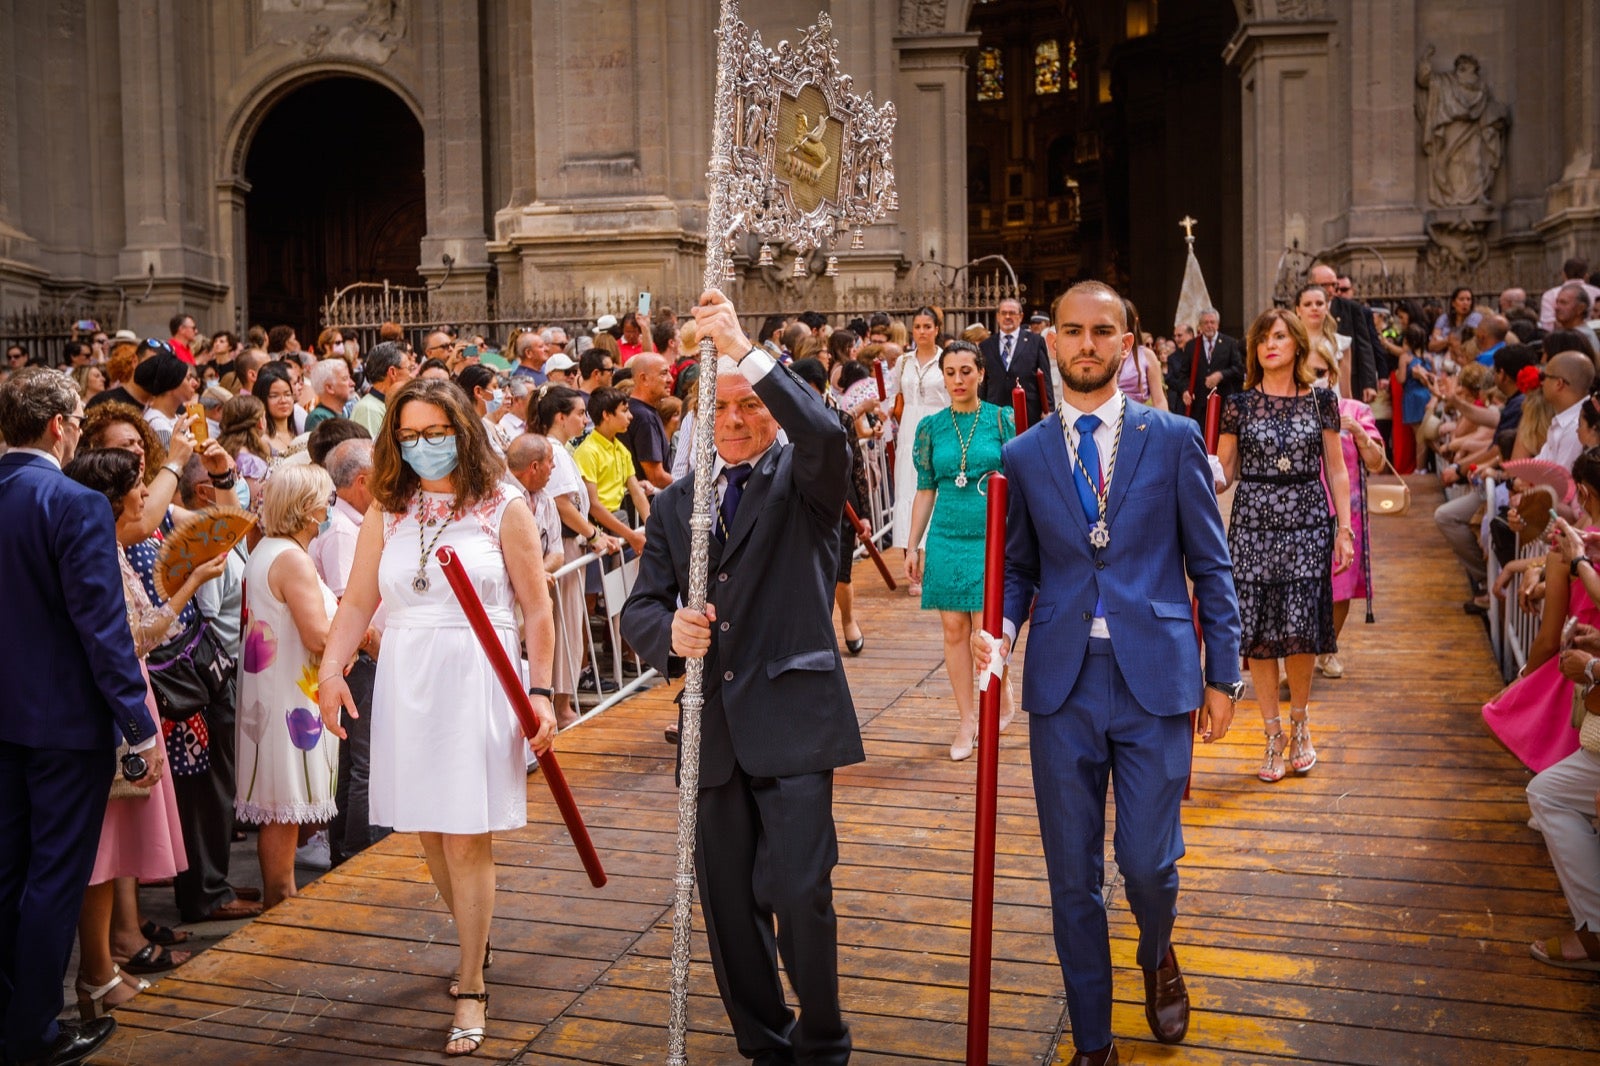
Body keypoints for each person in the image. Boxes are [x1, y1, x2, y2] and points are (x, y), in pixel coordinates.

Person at [973, 282, 1241, 1066]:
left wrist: (1223, 676)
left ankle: (1156, 952)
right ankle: (1093, 1041)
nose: (1086, 345)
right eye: (1072, 331)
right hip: (1062, 683)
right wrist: (1005, 631)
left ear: (1127, 343)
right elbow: (1019, 567)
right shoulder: (1023, 454)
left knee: (1148, 864)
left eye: (1102, 332)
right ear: (1050, 342)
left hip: (1158, 677)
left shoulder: (1174, 437)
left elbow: (1212, 568)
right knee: (1072, 877)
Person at [621, 288, 861, 1066]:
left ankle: (823, 1042)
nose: (734, 420)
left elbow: (825, 435)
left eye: (750, 403)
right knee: (726, 908)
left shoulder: (806, 481)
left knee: (799, 891)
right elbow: (641, 609)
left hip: (793, 718)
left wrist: (744, 346)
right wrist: (669, 632)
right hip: (712, 732)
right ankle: (767, 1045)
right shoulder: (676, 506)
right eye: (719, 407)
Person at [316, 377, 556, 1057]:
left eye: (436, 433)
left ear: (464, 430)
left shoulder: (504, 506)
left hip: (479, 676)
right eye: (410, 436)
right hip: (406, 675)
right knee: (425, 828)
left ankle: (472, 977)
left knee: (464, 835)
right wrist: (332, 670)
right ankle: (473, 931)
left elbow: (537, 608)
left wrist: (540, 691)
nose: (423, 447)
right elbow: (358, 603)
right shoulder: (386, 512)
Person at [0, 368, 166, 1066]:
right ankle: (34, 1030)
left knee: (8, 874)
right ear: (60, 427)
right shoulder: (71, 502)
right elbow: (103, 628)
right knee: (53, 878)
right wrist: (138, 725)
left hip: (9, 717)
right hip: (63, 722)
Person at [63, 448, 219, 1020]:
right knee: (102, 849)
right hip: (117, 705)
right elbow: (136, 636)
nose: (145, 496)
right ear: (114, 499)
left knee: (112, 848)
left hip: (126, 699)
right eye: (136, 486)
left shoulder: (111, 544)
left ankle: (104, 966)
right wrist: (193, 582)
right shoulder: (100, 549)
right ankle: (97, 972)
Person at [1216, 308, 1353, 782]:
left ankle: (1300, 724)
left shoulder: (1321, 401)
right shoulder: (1238, 404)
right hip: (1252, 523)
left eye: (1279, 336)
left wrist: (1344, 528)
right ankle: (1270, 734)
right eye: (1262, 339)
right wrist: (1194, 473)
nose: (1270, 344)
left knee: (1299, 626)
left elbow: (1336, 468)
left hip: (1308, 522)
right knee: (1257, 631)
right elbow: (1225, 470)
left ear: (1297, 343)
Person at [904, 340, 1016, 760]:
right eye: (950, 372)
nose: (957, 380)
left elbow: (1020, 481)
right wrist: (913, 544)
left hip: (991, 535)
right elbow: (925, 489)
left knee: (985, 629)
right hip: (947, 534)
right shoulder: (931, 428)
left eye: (966, 371)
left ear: (981, 374)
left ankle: (1000, 694)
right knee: (954, 629)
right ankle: (968, 718)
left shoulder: (1003, 421)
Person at [236, 465, 340, 909]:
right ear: (309, 508)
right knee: (283, 804)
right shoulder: (291, 558)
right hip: (289, 694)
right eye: (327, 501)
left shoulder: (266, 549)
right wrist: (361, 633)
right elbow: (317, 636)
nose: (329, 509)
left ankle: (282, 893)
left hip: (276, 687)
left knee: (280, 804)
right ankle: (280, 896)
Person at [1484, 448, 1600, 774]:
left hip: (1572, 668)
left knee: (1503, 721)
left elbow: (1549, 639)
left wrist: (1524, 678)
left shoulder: (1567, 554)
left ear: (1586, 493)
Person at [309, 437, 390, 865]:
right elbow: (349, 609)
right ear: (362, 481)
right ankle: (358, 851)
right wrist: (381, 648)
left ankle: (347, 846)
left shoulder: (351, 524)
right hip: (361, 661)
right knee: (364, 760)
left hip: (362, 659)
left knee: (355, 759)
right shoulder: (342, 531)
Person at [533, 386, 621, 726]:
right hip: (566, 544)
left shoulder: (562, 449)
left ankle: (563, 701)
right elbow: (563, 504)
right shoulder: (552, 449)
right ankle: (561, 703)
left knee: (570, 621)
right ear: (560, 417)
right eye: (580, 413)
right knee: (566, 622)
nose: (585, 420)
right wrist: (594, 535)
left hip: (571, 542)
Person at [1304, 339, 1384, 680]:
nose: (1313, 379)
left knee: (1340, 585)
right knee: (1302, 586)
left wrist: (1359, 435)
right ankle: (1302, 655)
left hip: (1344, 512)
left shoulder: (1355, 410)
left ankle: (1327, 648)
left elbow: (1378, 464)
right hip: (1301, 511)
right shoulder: (1287, 410)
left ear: (1333, 374)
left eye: (1319, 373)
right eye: (1305, 373)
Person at [891, 307, 950, 556]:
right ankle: (911, 555)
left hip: (940, 427)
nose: (922, 331)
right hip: (909, 433)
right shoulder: (902, 361)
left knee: (936, 490)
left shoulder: (947, 359)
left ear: (937, 329)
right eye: (917, 327)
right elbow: (895, 399)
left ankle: (936, 557)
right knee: (908, 489)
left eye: (927, 326)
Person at [979, 296, 1052, 426]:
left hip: (1028, 413)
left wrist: (1049, 410)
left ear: (1021, 316)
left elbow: (1045, 378)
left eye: (1012, 313)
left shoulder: (1035, 342)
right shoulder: (986, 345)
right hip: (995, 415)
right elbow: (982, 383)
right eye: (1004, 313)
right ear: (997, 316)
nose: (1007, 317)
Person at [1166, 307, 1245, 423]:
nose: (1209, 325)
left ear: (1217, 324)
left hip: (1223, 404)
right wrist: (1185, 390)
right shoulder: (1192, 346)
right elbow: (1184, 375)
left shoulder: (1230, 343)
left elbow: (1238, 370)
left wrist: (1221, 375)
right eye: (1205, 323)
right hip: (1199, 406)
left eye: (1212, 322)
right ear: (1200, 326)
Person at [350, 342, 417, 436]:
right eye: (409, 369)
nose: (412, 376)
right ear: (393, 372)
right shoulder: (368, 409)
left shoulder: (387, 404)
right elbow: (372, 449)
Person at [1115, 299, 1168, 411]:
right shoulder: (1102, 353)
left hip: (1139, 420)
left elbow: (1159, 400)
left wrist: (1163, 427)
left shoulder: (1147, 355)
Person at [305, 357, 355, 430]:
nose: (352, 383)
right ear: (329, 388)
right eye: (345, 378)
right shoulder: (318, 418)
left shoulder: (342, 413)